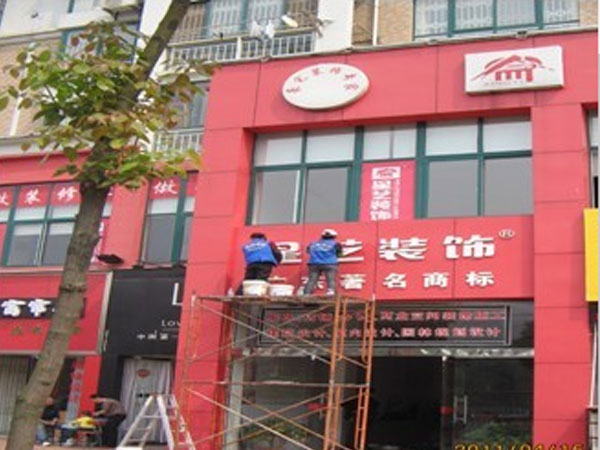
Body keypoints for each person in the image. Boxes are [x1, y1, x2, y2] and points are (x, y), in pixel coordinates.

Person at [304, 229, 343, 295]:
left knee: (312, 280)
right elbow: (340, 254)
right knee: (330, 279)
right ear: (334, 236)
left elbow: (308, 251)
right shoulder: (336, 244)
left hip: (314, 263)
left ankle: (307, 293)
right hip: (330, 263)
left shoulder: (313, 244)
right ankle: (331, 293)